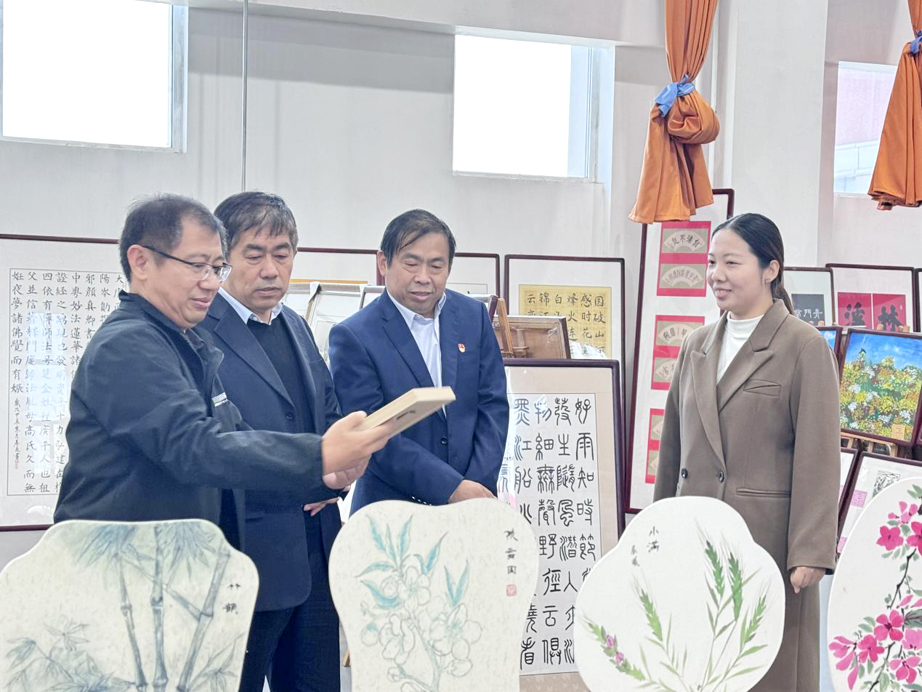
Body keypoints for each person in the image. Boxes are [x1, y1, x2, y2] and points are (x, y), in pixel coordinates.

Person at [55, 194, 392, 552]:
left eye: (217, 268)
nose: (211, 283)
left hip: (176, 558)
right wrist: (318, 453)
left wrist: (323, 472)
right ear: (141, 262)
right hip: (122, 561)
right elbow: (196, 446)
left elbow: (232, 432)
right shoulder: (127, 343)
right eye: (197, 266)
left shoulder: (183, 338)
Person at [653, 213, 839, 691]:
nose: (716, 275)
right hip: (696, 537)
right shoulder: (695, 345)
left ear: (770, 269)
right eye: (711, 262)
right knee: (699, 664)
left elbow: (819, 456)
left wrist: (811, 550)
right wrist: (658, 532)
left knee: (766, 669)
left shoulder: (803, 346)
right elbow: (672, 450)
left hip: (766, 545)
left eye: (731, 263)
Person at [201, 192, 341, 692]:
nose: (270, 269)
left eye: (282, 254)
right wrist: (312, 466)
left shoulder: (296, 325)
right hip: (245, 553)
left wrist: (339, 476)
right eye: (254, 254)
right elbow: (213, 444)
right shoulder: (199, 331)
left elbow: (328, 413)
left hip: (316, 551)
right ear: (223, 259)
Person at [329, 209, 509, 512]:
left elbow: (493, 404)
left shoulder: (473, 317)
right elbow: (371, 434)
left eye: (436, 266)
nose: (423, 278)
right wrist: (451, 488)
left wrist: (475, 487)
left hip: (472, 505)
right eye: (411, 263)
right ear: (383, 263)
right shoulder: (354, 336)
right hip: (391, 510)